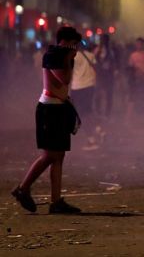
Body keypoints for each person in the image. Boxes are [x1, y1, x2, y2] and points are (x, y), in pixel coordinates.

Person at [11, 26, 83, 214]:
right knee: (49, 155)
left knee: (58, 156)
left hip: (58, 108)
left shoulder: (62, 55)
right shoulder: (54, 55)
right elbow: (64, 80)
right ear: (66, 41)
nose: (76, 48)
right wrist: (68, 59)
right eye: (74, 43)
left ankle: (56, 201)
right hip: (49, 109)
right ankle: (23, 188)